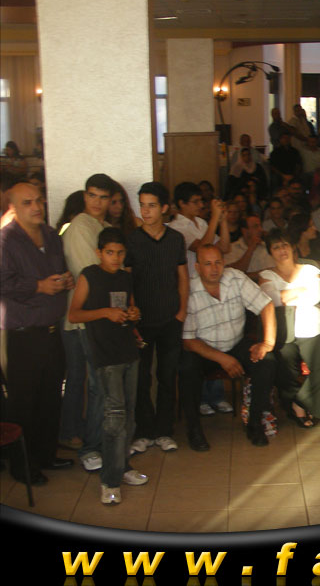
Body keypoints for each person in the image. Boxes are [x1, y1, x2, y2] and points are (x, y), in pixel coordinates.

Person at [0, 182, 74, 486]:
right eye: (27, 202)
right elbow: (3, 283)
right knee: (24, 402)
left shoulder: (51, 235)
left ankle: (46, 455)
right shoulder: (6, 240)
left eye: (39, 200)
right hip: (23, 334)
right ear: (13, 208)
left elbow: (60, 269)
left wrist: (66, 280)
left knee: (50, 397)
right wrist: (39, 286)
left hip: (52, 331)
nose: (36, 207)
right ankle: (23, 465)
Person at [68, 227, 148, 503]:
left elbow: (131, 309)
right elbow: (74, 314)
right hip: (105, 354)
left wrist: (134, 314)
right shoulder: (89, 275)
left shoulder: (125, 277)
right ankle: (109, 481)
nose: (115, 258)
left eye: (120, 253)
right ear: (99, 253)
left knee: (129, 414)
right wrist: (105, 313)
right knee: (114, 416)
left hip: (128, 351)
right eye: (110, 252)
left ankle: (122, 466)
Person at [179, 244, 279, 449]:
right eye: (208, 264)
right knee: (187, 368)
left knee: (267, 362)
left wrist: (267, 343)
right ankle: (194, 430)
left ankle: (254, 423)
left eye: (218, 262)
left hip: (235, 343)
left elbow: (266, 305)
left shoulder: (235, 278)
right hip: (204, 350)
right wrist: (223, 359)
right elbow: (188, 341)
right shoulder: (190, 290)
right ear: (197, 267)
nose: (214, 268)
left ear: (224, 263)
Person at [124, 182, 189, 455]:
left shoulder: (175, 239)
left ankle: (164, 430)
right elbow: (126, 280)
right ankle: (144, 431)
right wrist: (131, 313)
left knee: (167, 376)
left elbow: (182, 277)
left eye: (151, 205)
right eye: (142, 205)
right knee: (141, 378)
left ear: (164, 208)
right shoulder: (132, 240)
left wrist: (181, 312)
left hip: (170, 319)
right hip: (141, 321)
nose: (146, 211)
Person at [259, 231, 320, 427]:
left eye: (285, 245)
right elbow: (270, 299)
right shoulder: (266, 275)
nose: (282, 250)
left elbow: (316, 295)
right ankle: (292, 405)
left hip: (313, 329)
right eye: (276, 247)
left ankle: (301, 402)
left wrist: (284, 296)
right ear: (270, 252)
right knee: (283, 363)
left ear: (293, 247)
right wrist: (300, 290)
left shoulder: (310, 269)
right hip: (283, 332)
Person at [61, 174, 114, 472]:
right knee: (88, 381)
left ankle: (78, 434)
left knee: (85, 380)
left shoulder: (102, 227)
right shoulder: (81, 226)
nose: (97, 202)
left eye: (103, 197)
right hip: (83, 317)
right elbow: (93, 276)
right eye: (92, 195)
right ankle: (80, 438)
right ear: (85, 196)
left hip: (96, 317)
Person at [169, 181, 231, 278]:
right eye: (196, 202)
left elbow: (224, 248)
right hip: (191, 279)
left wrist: (223, 220)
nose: (201, 205)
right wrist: (215, 217)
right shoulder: (176, 227)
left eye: (201, 201)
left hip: (208, 278)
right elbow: (202, 249)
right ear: (182, 203)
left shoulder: (201, 222)